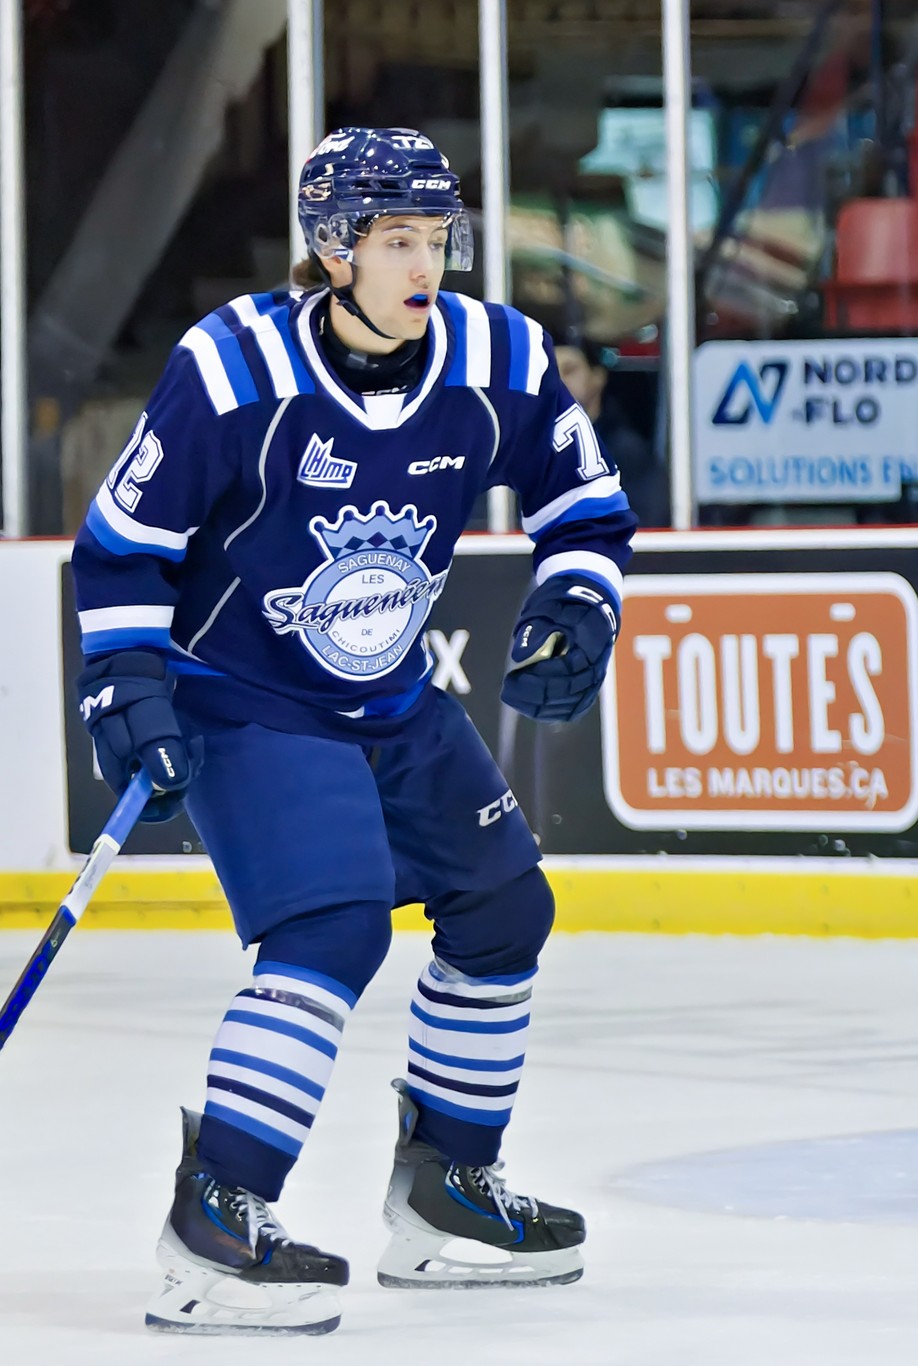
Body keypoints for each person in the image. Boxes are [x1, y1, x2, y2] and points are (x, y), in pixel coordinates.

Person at [68, 127, 635, 1334]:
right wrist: (125, 685)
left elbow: (586, 506)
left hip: (391, 693)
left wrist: (577, 603)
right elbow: (122, 548)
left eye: (436, 238)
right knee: (330, 926)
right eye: (395, 241)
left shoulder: (496, 356)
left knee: (503, 910)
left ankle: (446, 1191)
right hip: (242, 696)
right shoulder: (231, 372)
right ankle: (218, 1209)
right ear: (333, 250)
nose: (423, 263)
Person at [556, 336, 668, 527]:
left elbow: (647, 521)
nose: (557, 382)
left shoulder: (626, 450)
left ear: (598, 377)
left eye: (569, 370)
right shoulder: (523, 447)